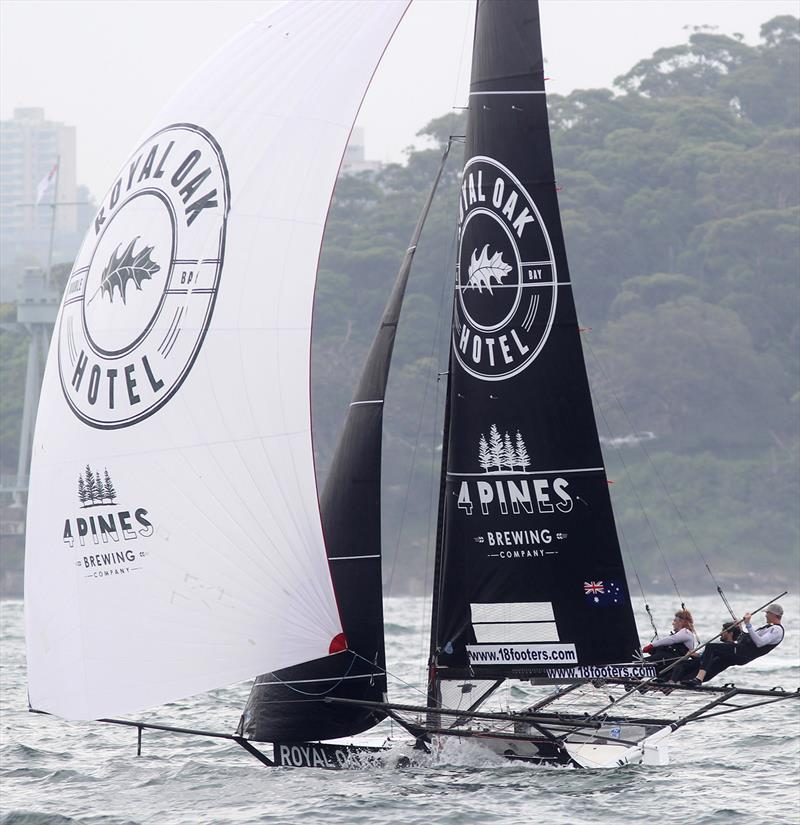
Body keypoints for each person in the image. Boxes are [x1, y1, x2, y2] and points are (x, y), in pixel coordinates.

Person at [684, 603, 785, 687]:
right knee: (717, 661)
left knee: (711, 647)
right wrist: (741, 628)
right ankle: (687, 679)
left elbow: (759, 642)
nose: (766, 615)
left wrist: (748, 624)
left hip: (742, 653)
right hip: (741, 652)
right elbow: (750, 638)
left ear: (773, 614)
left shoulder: (777, 630)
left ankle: (698, 679)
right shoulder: (768, 627)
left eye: (767, 613)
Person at [668, 621, 741, 684]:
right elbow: (707, 657)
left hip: (706, 672)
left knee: (682, 676)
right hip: (701, 666)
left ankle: (671, 684)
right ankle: (669, 681)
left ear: (730, 634)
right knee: (681, 664)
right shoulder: (721, 646)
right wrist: (695, 655)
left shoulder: (728, 649)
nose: (720, 633)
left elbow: (712, 659)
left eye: (723, 631)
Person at [641, 609, 698, 675]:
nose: (672, 623)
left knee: (641, 663)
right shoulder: (680, 634)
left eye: (675, 621)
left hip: (673, 665)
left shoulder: (686, 632)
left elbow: (671, 639)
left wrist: (651, 645)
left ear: (681, 622)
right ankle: (635, 680)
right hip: (666, 663)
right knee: (644, 661)